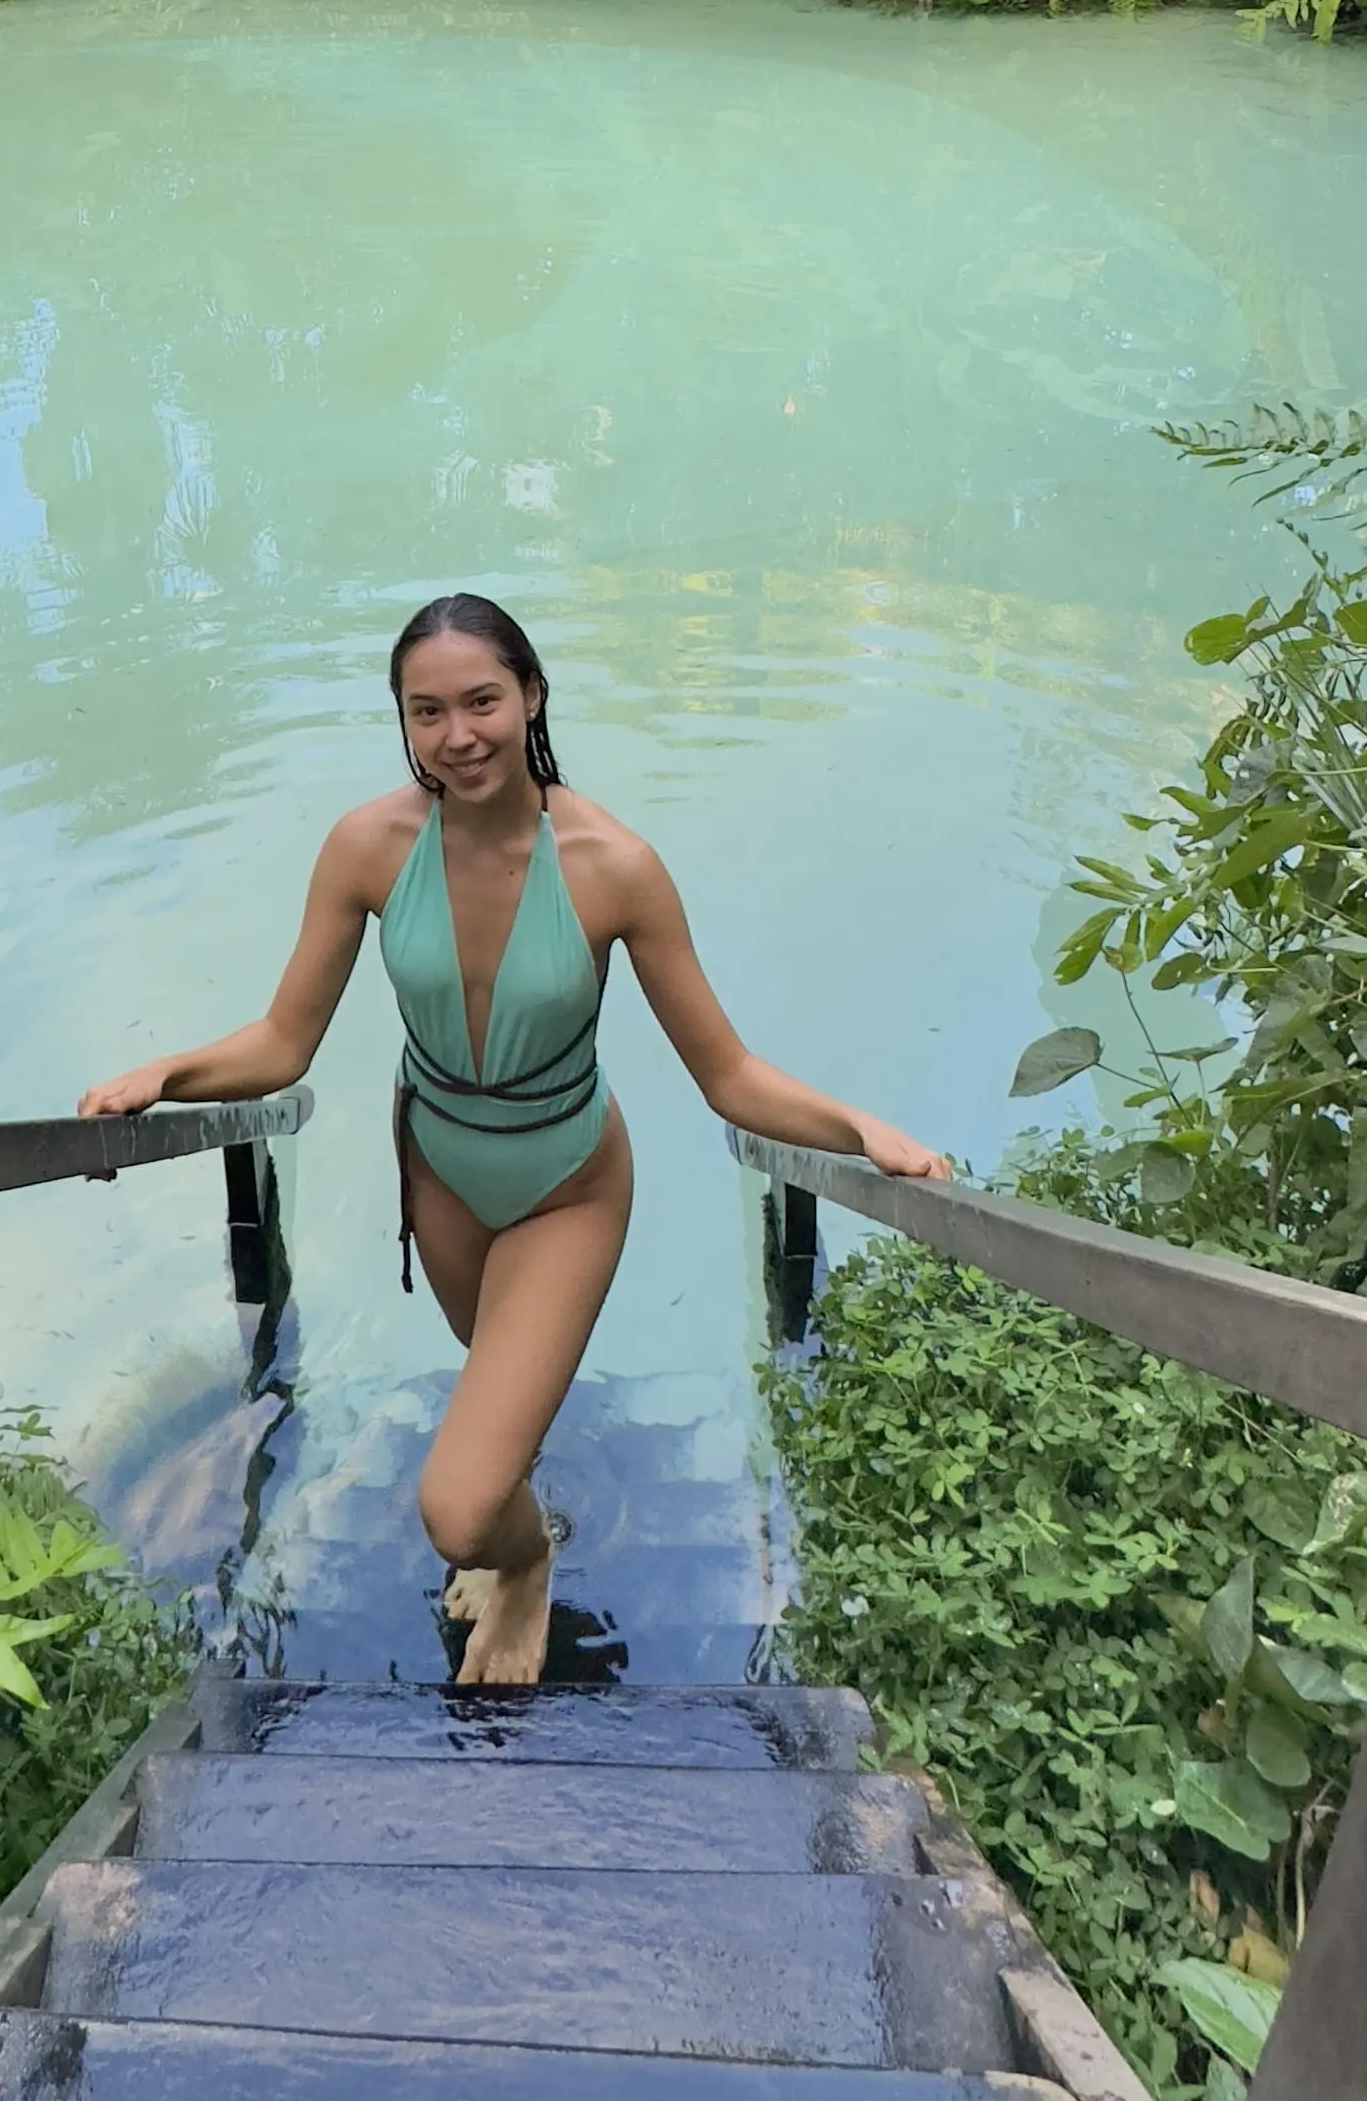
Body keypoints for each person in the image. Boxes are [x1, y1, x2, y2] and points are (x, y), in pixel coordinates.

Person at [78, 591, 950, 1687]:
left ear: (532, 696)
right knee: (497, 1426)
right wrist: (168, 1073)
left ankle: (523, 1564)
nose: (459, 736)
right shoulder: (366, 848)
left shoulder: (611, 865)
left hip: (564, 1189)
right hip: (438, 1173)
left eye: (483, 701)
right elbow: (283, 1043)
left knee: (457, 1504)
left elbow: (727, 1076)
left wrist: (859, 1130)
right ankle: (507, 1525)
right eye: (427, 711)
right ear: (403, 722)